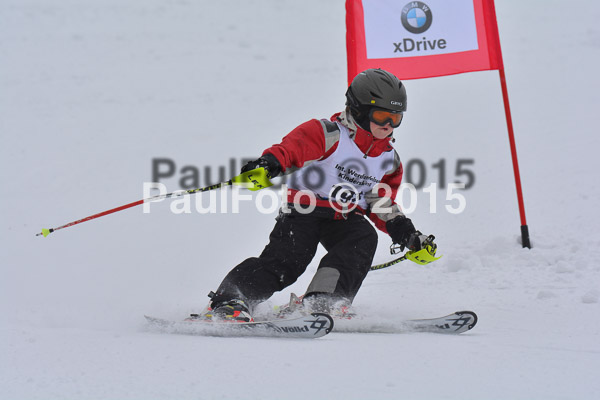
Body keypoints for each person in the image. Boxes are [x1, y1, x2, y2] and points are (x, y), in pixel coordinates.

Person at [201, 68, 432, 322]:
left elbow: (379, 200)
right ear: (358, 111)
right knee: (289, 259)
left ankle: (324, 301)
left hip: (344, 216)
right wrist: (268, 165)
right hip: (304, 210)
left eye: (395, 118)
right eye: (381, 116)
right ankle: (231, 299)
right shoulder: (328, 133)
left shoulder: (388, 160)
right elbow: (290, 150)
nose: (388, 126)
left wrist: (407, 233)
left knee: (362, 238)